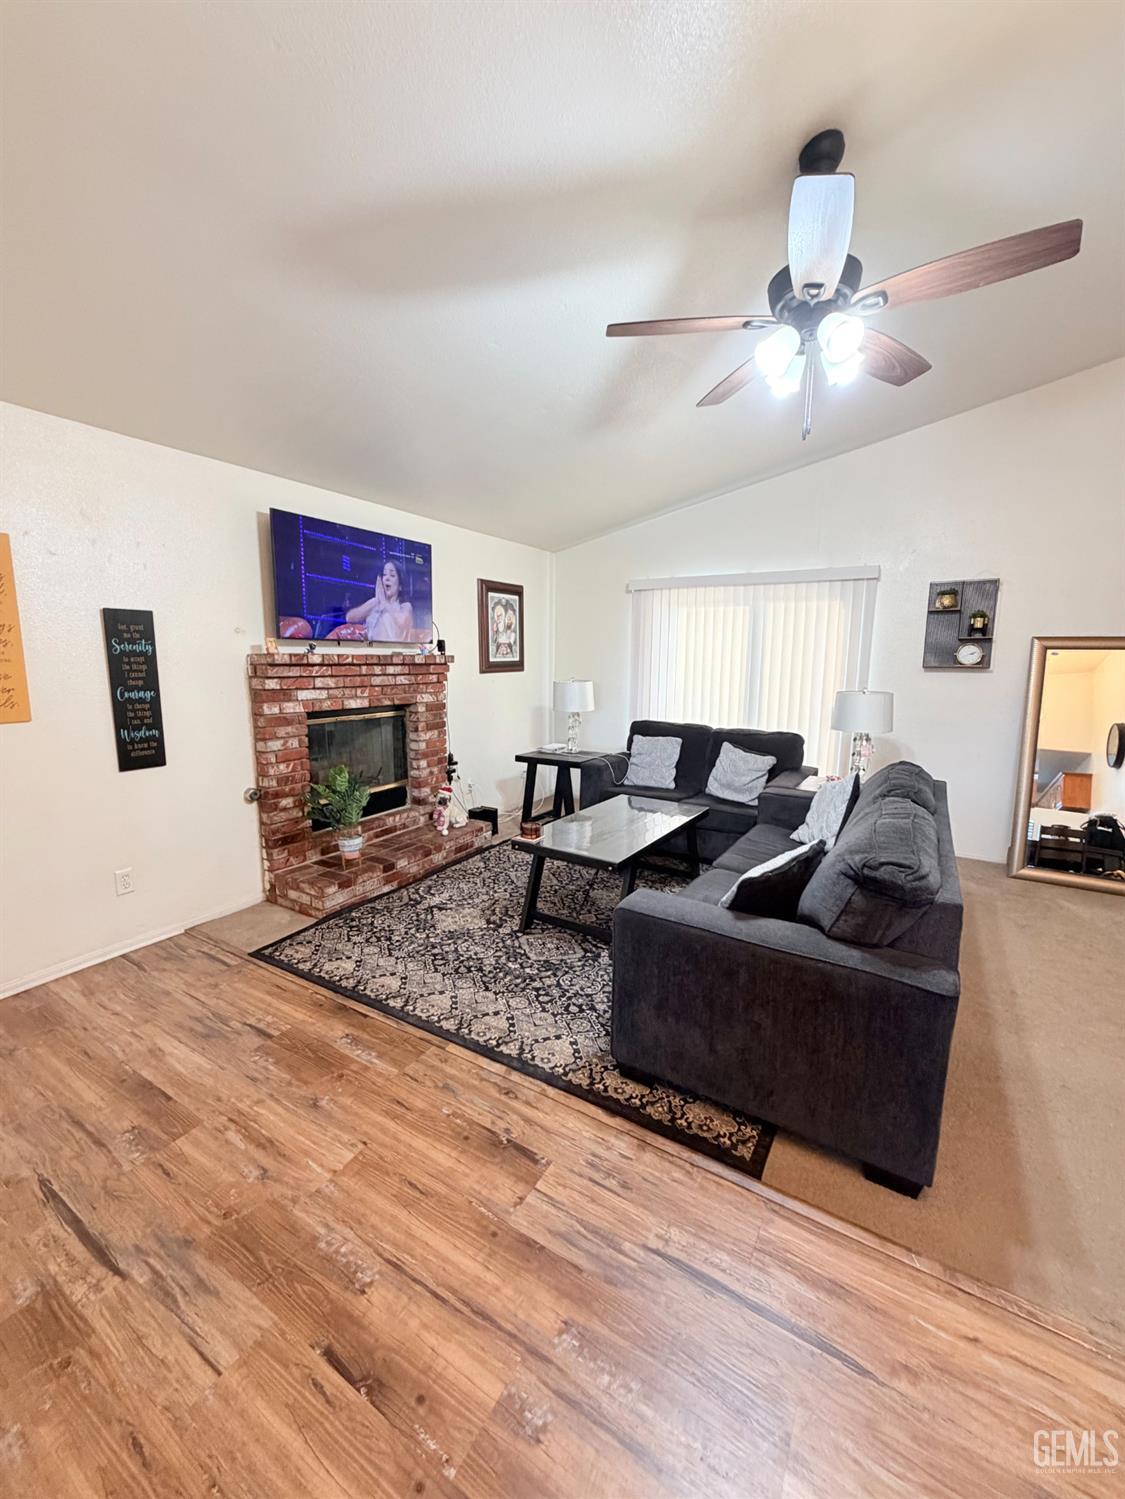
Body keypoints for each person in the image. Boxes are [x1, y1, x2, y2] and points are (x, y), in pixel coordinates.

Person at [346, 559, 414, 642]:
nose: (387, 578)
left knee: (386, 615)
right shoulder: (375, 602)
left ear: (400, 586)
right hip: (371, 649)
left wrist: (384, 602)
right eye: (384, 574)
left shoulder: (405, 606)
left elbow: (402, 622)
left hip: (394, 648)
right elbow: (350, 618)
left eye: (392, 575)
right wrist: (377, 601)